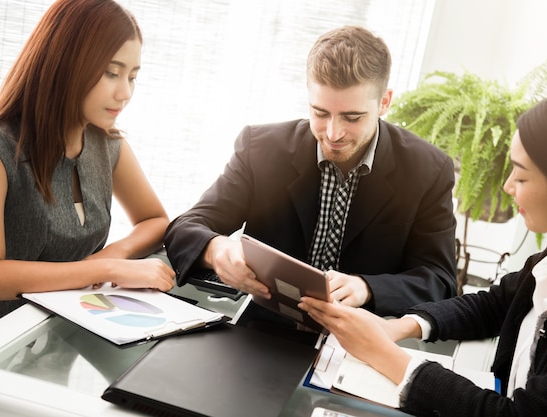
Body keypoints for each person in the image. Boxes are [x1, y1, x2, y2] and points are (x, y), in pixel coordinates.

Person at [299, 83, 547, 416]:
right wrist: (399, 327)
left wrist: (384, 354)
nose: (508, 186)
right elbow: (494, 304)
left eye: (521, 177)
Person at [164, 25, 457, 332]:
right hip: (262, 330)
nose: (333, 134)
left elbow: (440, 280)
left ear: (385, 102)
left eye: (352, 117)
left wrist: (366, 288)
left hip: (361, 340)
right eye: (320, 112)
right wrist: (216, 250)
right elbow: (184, 228)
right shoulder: (261, 148)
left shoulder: (428, 170)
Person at [0, 0, 175, 322]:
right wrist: (101, 268)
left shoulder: (107, 145)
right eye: (111, 73)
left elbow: (156, 220)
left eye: (132, 77)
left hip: (64, 333)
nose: (125, 93)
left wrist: (115, 254)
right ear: (67, 64)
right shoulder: (0, 149)